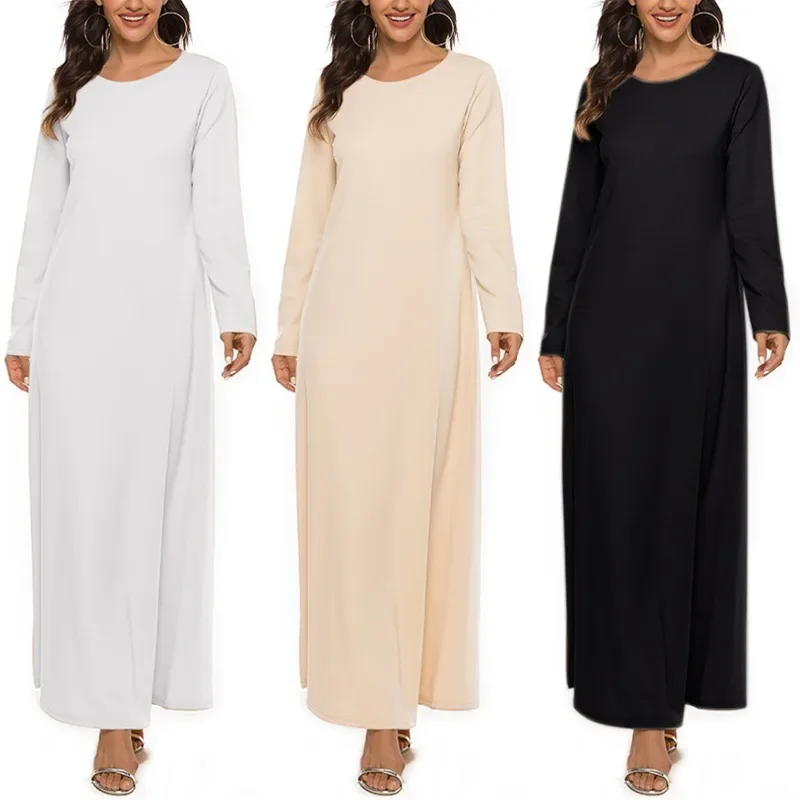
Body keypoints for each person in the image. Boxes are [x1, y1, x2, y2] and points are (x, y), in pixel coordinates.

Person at [4, 0, 256, 794]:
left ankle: (130, 703)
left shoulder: (205, 82)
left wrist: (236, 308)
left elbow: (217, 201)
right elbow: (44, 214)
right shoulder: (73, 89)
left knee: (152, 506)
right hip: (73, 326)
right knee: (82, 512)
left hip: (161, 326)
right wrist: (22, 327)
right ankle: (106, 707)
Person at [272, 0, 523, 794]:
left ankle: (397, 705)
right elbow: (310, 215)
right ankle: (372, 706)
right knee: (350, 513)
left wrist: (503, 307)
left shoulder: (472, 82)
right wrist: (289, 327)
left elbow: (483, 203)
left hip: (426, 325)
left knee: (416, 506)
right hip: (340, 325)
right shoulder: (336, 88)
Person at [538, 0, 789, 795]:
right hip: (605, 326)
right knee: (614, 510)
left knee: (683, 506)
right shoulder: (602, 88)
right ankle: (635, 703)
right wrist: (556, 328)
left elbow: (750, 202)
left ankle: (660, 714)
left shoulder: (738, 84)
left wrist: (769, 309)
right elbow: (578, 213)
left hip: (695, 325)